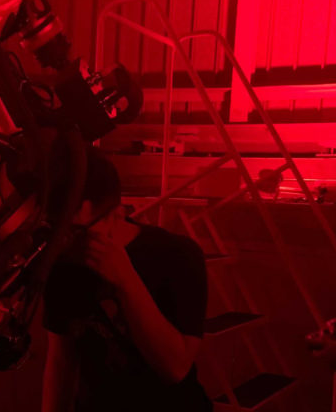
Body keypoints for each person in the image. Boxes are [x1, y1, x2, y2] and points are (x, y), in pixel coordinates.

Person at [42, 148, 212, 411]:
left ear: (116, 215)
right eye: (56, 230)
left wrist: (126, 279)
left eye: (75, 231)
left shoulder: (178, 255)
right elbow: (61, 360)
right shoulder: (65, 262)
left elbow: (175, 368)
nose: (65, 243)